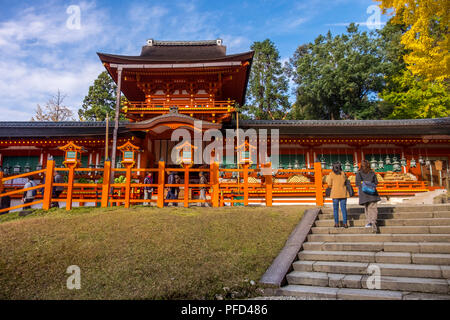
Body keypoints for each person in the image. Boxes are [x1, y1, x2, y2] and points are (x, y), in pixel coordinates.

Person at [356, 160, 381, 233]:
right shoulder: (372, 173)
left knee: (367, 208)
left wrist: (363, 185)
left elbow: (357, 183)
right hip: (372, 192)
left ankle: (369, 222)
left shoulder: (359, 173)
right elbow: (376, 182)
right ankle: (373, 221)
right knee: (373, 208)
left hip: (364, 193)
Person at [326, 162, 349, 228]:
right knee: (343, 209)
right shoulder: (343, 173)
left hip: (335, 193)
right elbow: (346, 181)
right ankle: (345, 223)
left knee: (335, 209)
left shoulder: (331, 174)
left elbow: (329, 184)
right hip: (343, 193)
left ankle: (336, 223)